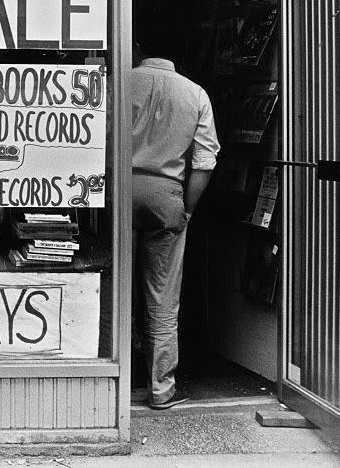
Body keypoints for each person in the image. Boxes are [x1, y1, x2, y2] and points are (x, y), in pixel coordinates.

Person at [131, 33, 220, 411]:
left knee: (110, 285)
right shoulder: (195, 93)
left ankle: (107, 377)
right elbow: (205, 161)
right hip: (167, 195)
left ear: (138, 48)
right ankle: (161, 387)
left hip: (118, 190)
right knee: (163, 296)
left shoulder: (121, 82)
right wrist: (187, 208)